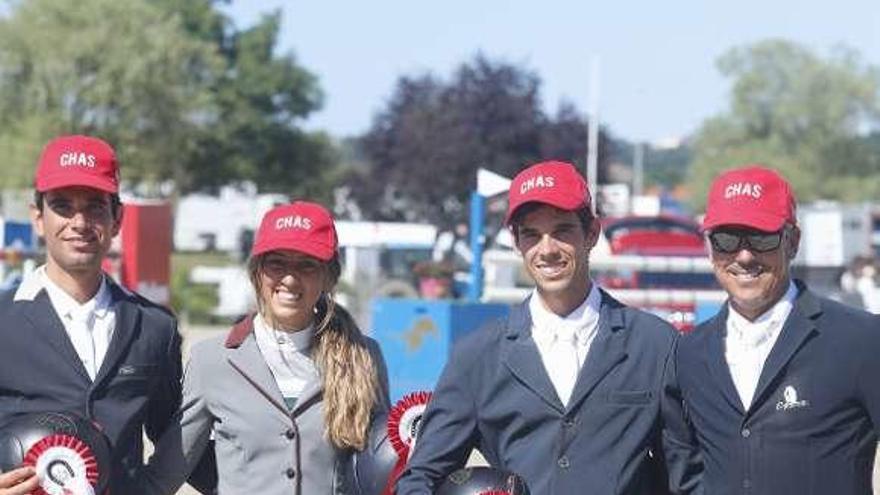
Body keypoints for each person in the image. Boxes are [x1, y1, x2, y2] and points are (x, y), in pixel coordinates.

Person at [396, 161, 701, 494]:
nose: (547, 249)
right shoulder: (478, 355)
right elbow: (420, 478)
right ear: (516, 241)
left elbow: (686, 478)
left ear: (592, 233)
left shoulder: (655, 344)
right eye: (531, 234)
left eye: (562, 231)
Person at [139, 201, 390, 495]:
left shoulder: (363, 357)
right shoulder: (212, 360)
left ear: (329, 276)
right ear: (256, 272)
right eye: (277, 263)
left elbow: (382, 468)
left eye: (307, 265)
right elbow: (163, 476)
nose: (289, 278)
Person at [674, 165, 880, 494]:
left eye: (761, 237)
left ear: (793, 241)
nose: (743, 255)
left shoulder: (862, 339)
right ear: (710, 247)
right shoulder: (690, 353)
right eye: (726, 239)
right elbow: (684, 470)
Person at [0, 135, 186, 492]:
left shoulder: (155, 326)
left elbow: (174, 437)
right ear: (38, 218)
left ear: (117, 219)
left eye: (96, 207)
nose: (80, 222)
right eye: (63, 206)